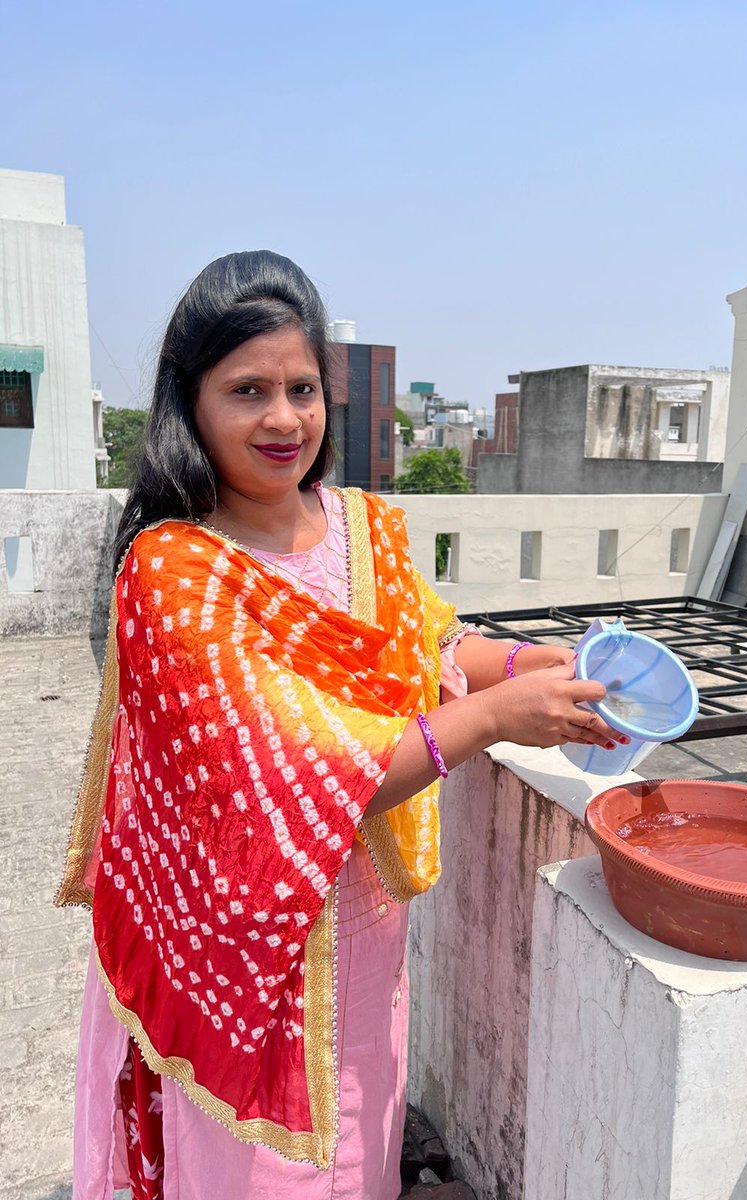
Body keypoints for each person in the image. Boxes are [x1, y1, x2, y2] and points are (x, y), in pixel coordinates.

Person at [56, 250, 624, 1200]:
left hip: (364, 923)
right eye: (248, 390)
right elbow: (296, 775)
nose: (284, 419)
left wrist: (535, 666)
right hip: (246, 949)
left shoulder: (361, 526)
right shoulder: (175, 572)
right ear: (189, 403)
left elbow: (435, 649)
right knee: (261, 1172)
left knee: (363, 1144)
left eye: (303, 388)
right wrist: (490, 719)